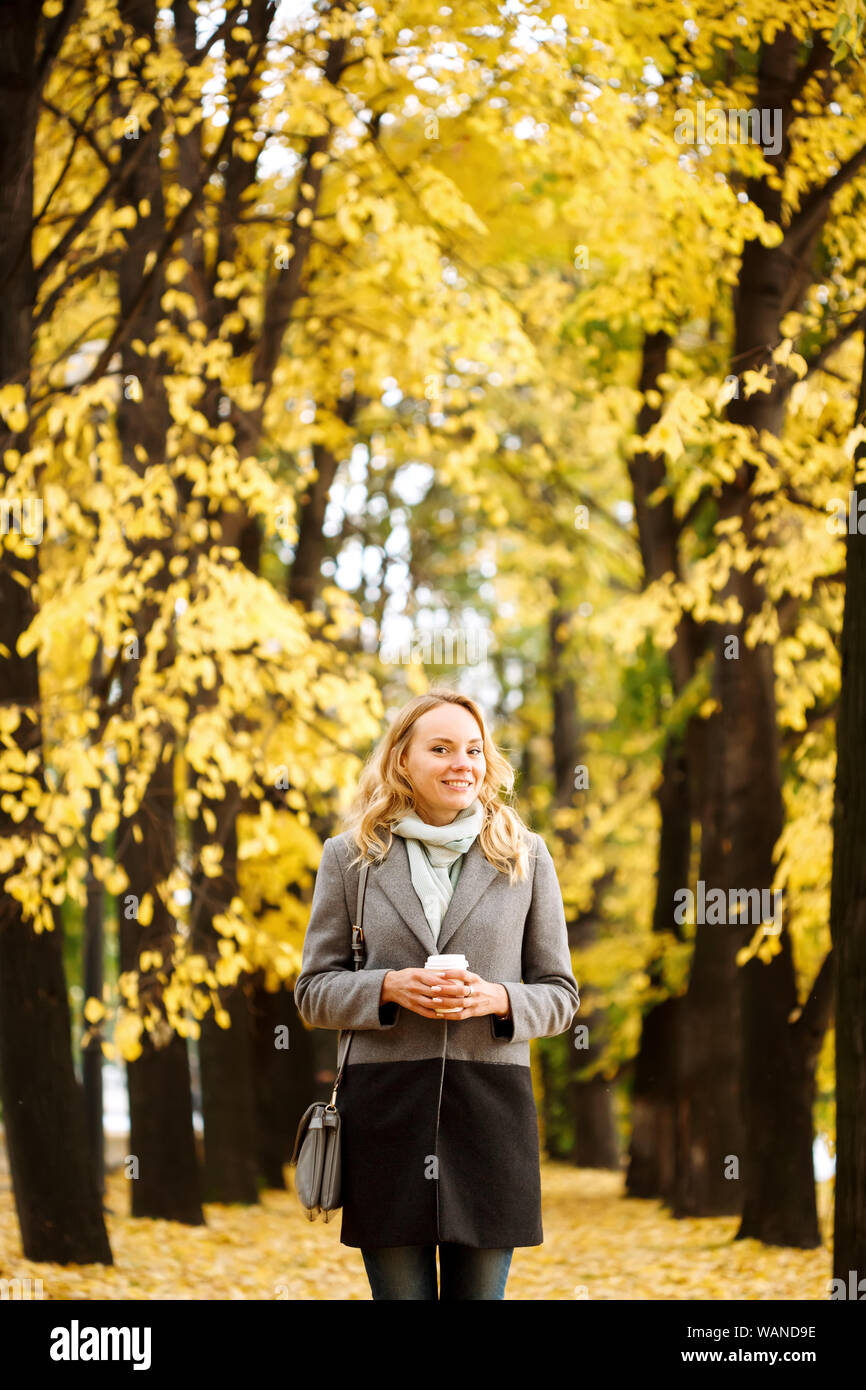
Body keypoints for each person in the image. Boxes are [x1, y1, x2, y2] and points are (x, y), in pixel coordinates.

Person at [294, 688, 580, 1300]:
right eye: (442, 748)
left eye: (473, 750)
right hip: (386, 1113)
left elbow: (560, 995)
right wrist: (388, 987)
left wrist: (499, 1000)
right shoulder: (349, 858)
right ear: (403, 760)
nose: (462, 764)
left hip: (491, 1110)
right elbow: (313, 991)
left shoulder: (526, 857)